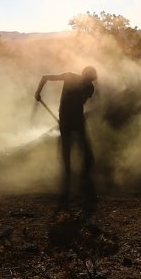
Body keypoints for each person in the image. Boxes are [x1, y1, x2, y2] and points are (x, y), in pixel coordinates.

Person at [35, 66, 97, 208]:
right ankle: (68, 189)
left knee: (87, 156)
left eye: (91, 79)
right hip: (68, 121)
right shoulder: (71, 78)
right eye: (90, 78)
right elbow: (45, 77)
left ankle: (81, 185)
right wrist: (37, 92)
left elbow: (80, 104)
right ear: (86, 75)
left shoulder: (89, 87)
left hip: (75, 120)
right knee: (68, 154)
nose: (90, 81)